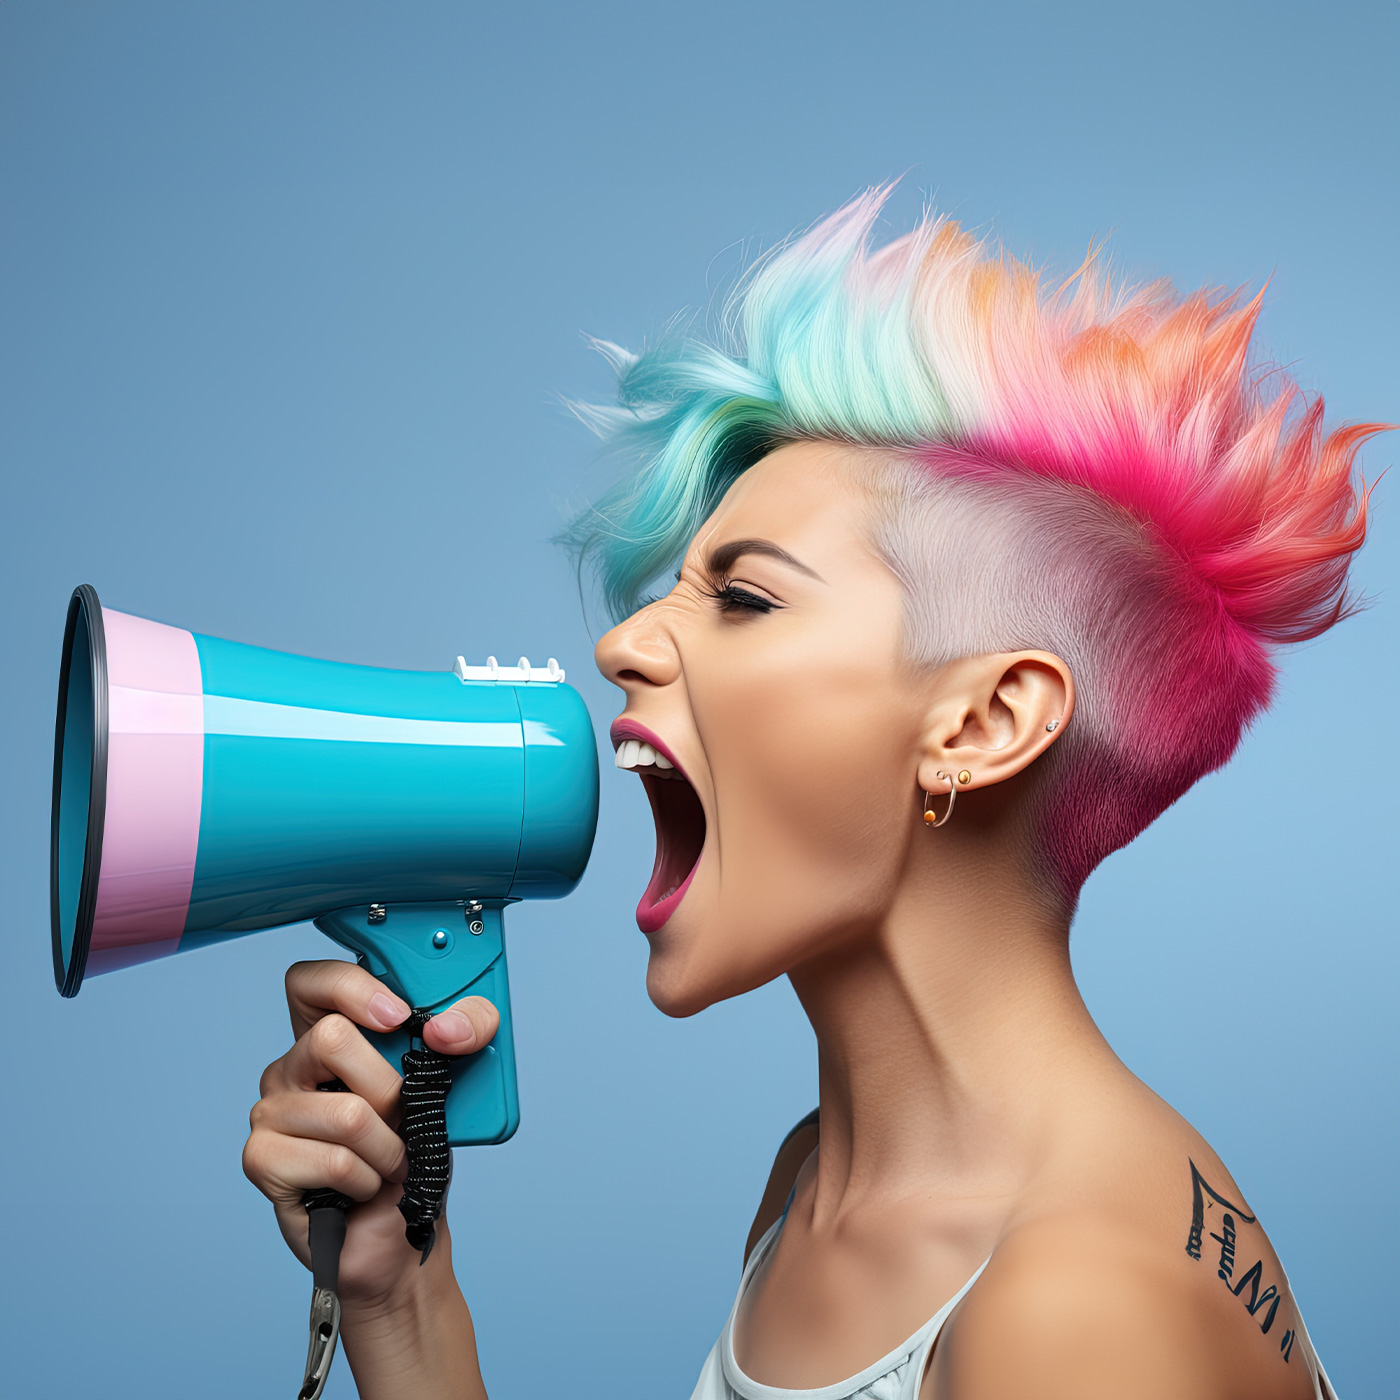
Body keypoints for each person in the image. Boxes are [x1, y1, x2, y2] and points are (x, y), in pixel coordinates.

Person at [242, 188, 1382, 1399]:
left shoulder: (1071, 1318)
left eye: (742, 597)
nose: (621, 643)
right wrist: (400, 1295)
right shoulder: (815, 1181)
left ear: (984, 722)